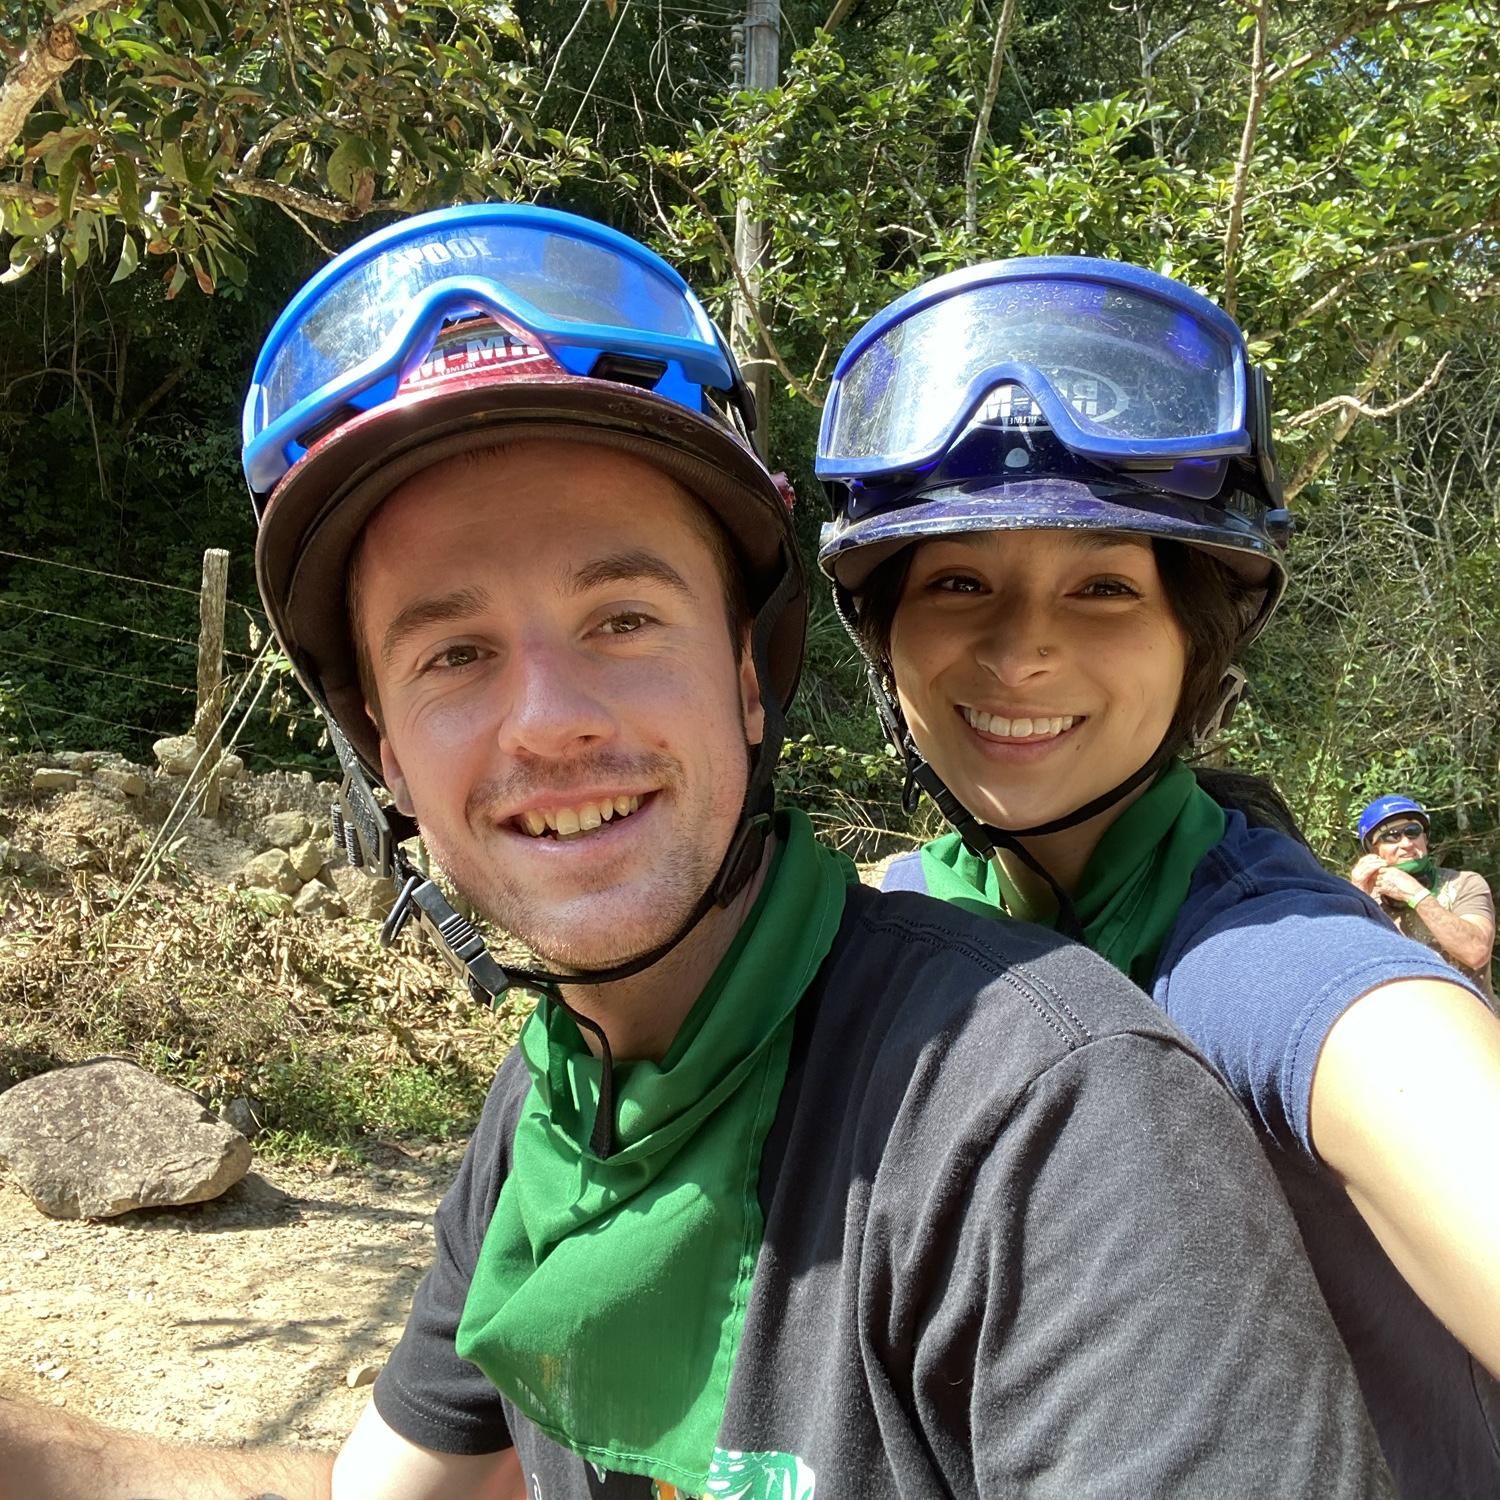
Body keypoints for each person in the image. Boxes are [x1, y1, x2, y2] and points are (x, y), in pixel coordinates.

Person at [0, 210, 1392, 1500]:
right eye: (457, 653)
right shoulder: (553, 1112)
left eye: (623, 620)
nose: (548, 721)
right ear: (382, 756)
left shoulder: (1042, 1122)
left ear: (747, 678)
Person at [814, 254, 1500, 1498]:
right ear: (886, 641)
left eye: (1104, 588)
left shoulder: (1279, 962)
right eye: (960, 579)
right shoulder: (899, 915)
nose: (1023, 649)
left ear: (1195, 647)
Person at [1350, 794, 1496, 1003]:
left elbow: (1475, 952)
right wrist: (1357, 897)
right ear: (1374, 850)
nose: (1407, 843)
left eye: (1413, 832)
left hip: (1473, 1023)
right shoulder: (1366, 899)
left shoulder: (1463, 883)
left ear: (1425, 839)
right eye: (1391, 836)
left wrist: (1415, 894)